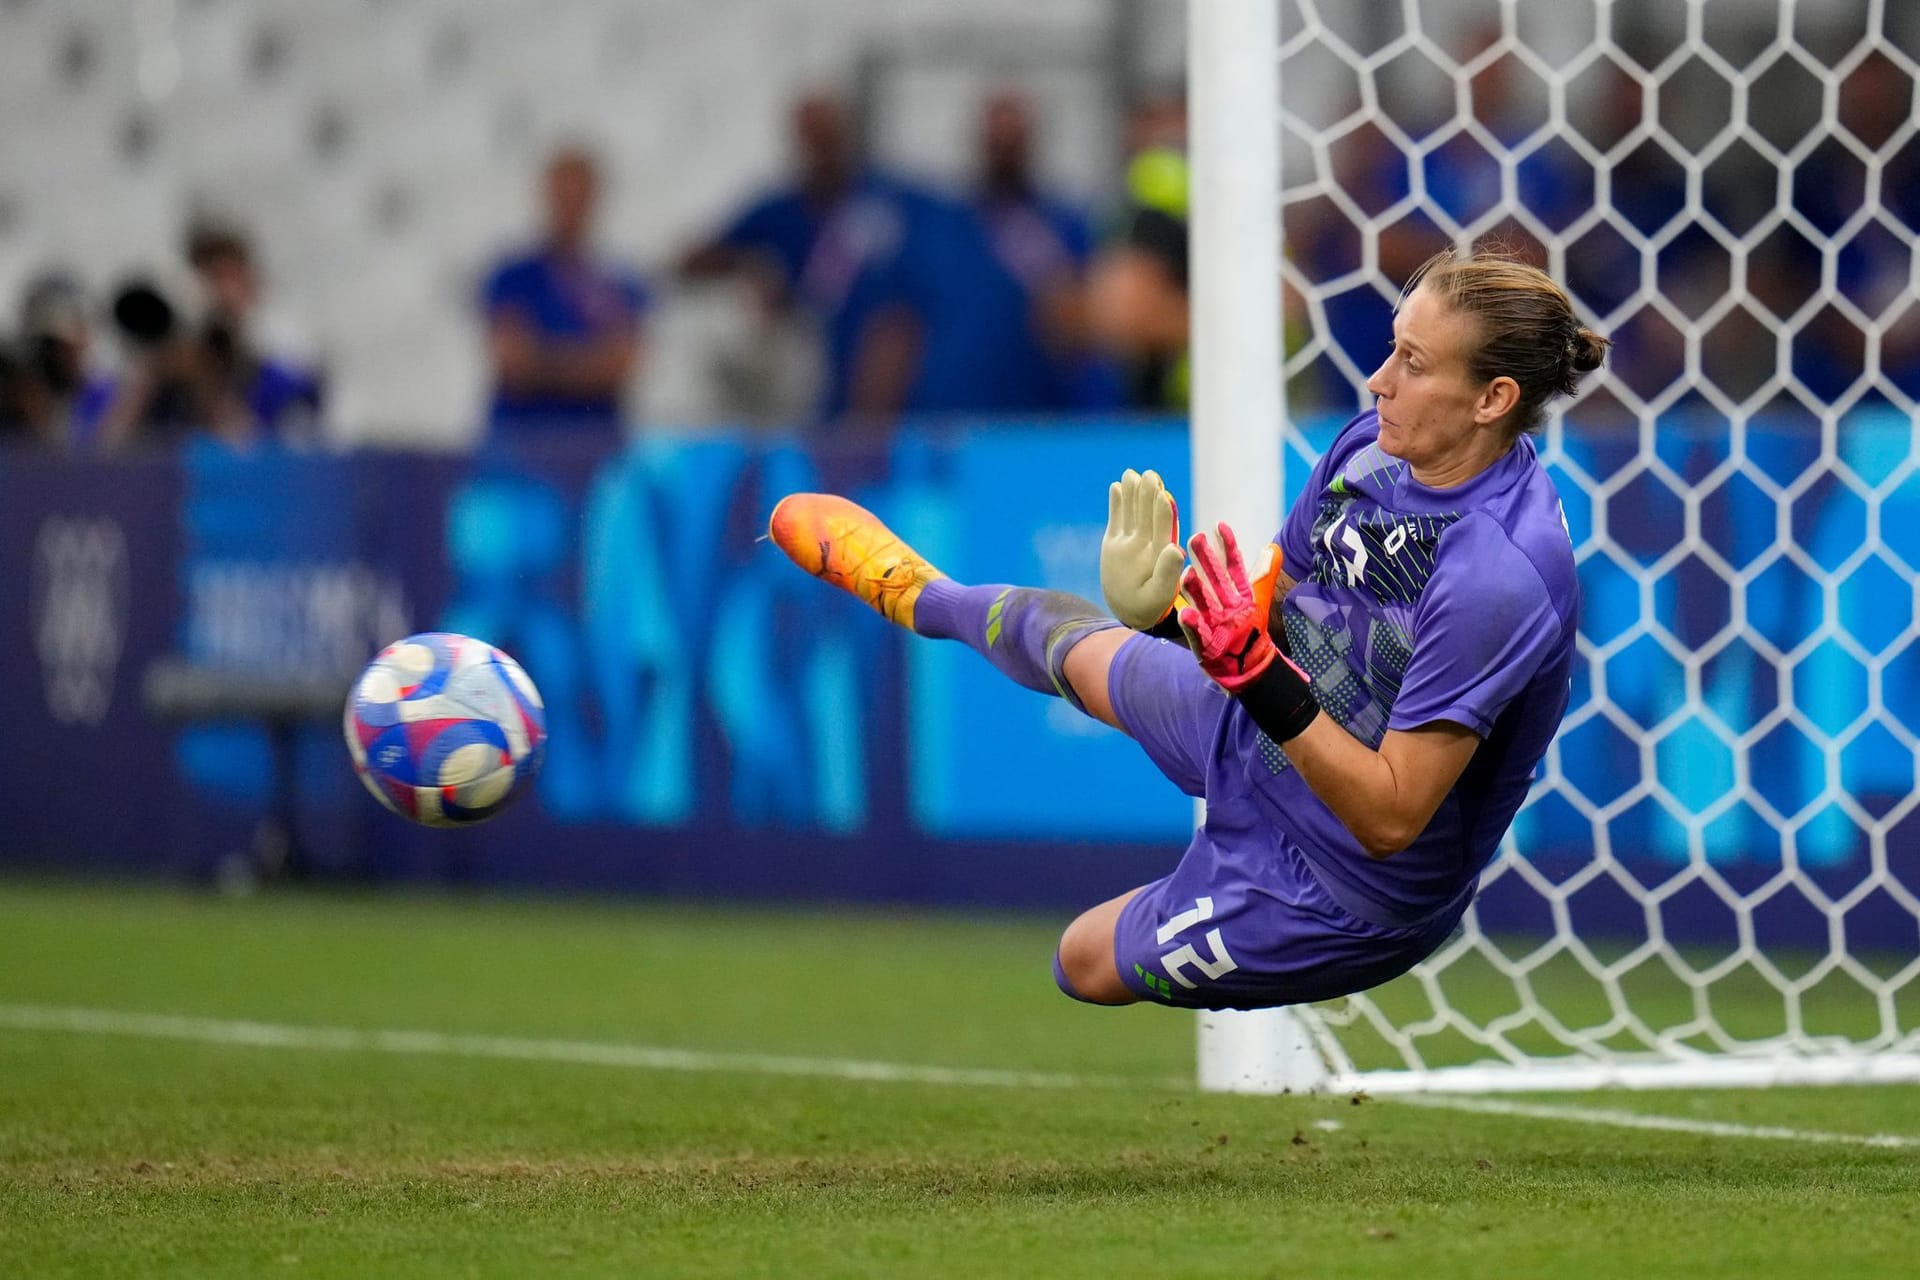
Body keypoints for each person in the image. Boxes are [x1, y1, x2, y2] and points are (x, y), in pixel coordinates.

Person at [768, 248, 1608, 1009]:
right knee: (1064, 638)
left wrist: (1251, 671)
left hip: (1343, 887)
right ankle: (921, 596)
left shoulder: (1499, 573)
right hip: (1258, 727)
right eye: (1392, 345)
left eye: (1414, 364)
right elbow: (1275, 610)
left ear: (1494, 398)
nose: (1379, 379)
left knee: (1082, 962)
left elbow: (1391, 817)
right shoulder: (1368, 450)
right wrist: (1171, 618)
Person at [91, 222, 324, 452]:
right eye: (206, 278)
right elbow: (95, 464)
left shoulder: (283, 384)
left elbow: (270, 466)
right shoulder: (129, 385)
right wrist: (147, 379)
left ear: (252, 288)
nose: (217, 294)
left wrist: (205, 384)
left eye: (228, 278)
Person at [481, 146, 648, 446]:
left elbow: (623, 365)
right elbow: (513, 362)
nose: (569, 207)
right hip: (520, 447)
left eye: (578, 195)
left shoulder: (621, 283)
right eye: (562, 195)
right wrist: (590, 362)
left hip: (594, 452)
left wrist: (542, 359)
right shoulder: (512, 277)